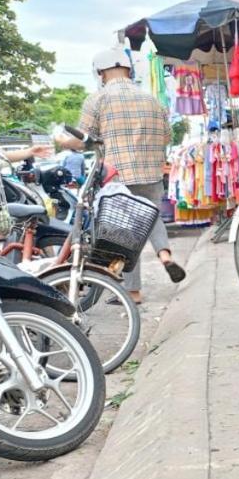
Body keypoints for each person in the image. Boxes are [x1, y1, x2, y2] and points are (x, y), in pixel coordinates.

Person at [54, 48, 186, 304]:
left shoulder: (99, 98)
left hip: (118, 176)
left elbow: (82, 140)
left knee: (126, 233)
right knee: (151, 218)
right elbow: (168, 136)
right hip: (151, 173)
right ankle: (165, 256)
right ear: (129, 69)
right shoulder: (152, 100)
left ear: (101, 72)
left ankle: (133, 291)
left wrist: (61, 141)